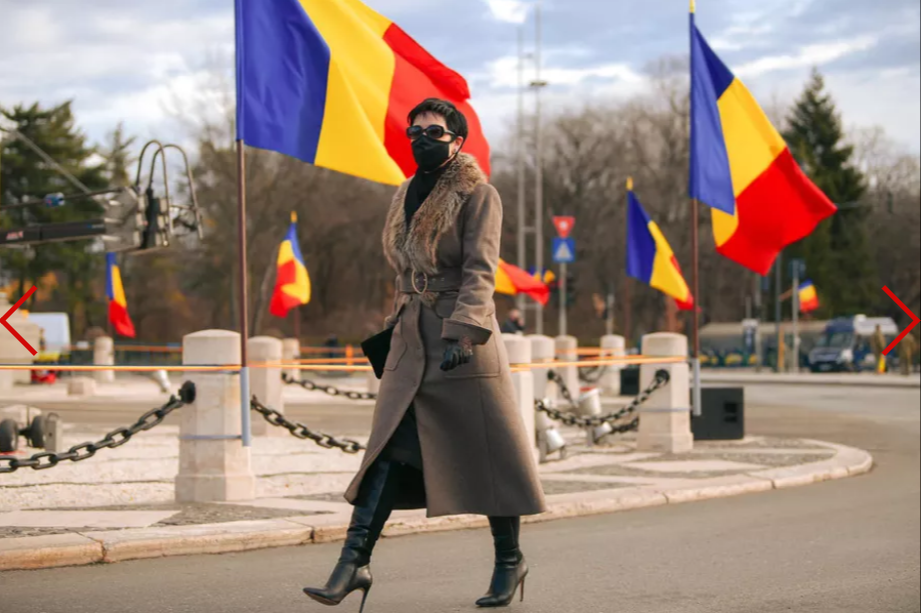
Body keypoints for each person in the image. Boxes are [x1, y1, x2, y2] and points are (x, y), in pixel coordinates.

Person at [303, 99, 546, 611]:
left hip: (463, 343)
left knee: (490, 456)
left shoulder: (479, 195)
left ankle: (509, 561)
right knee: (388, 449)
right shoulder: (405, 193)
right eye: (414, 131)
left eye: (434, 131)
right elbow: (404, 272)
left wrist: (464, 333)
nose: (421, 138)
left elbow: (481, 271)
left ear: (457, 140)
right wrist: (394, 324)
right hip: (412, 340)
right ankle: (353, 563)